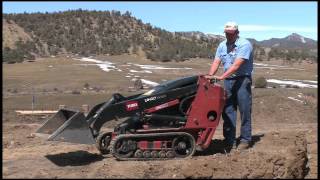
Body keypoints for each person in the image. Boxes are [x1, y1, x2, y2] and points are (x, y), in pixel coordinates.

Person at [205, 21, 253, 152]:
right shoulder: (222, 45)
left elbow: (236, 65)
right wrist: (210, 75)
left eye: (231, 34)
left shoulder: (244, 44)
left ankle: (245, 139)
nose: (228, 36)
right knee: (228, 110)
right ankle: (229, 140)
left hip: (242, 80)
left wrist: (221, 77)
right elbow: (217, 61)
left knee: (244, 110)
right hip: (228, 81)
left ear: (237, 33)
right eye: (226, 33)